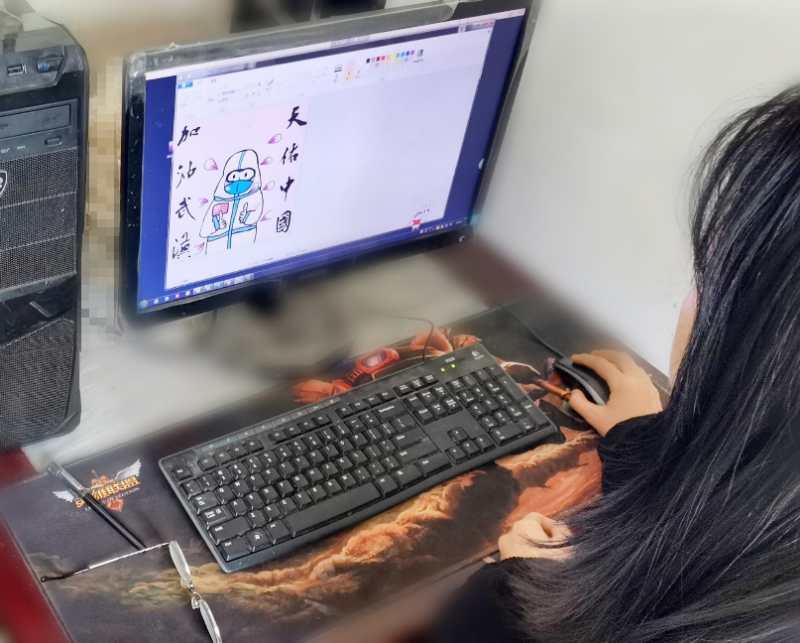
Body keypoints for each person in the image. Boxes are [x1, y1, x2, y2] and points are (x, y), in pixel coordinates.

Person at [429, 86, 800, 642]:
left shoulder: (507, 620)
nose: (689, 302)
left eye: (707, 277)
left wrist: (520, 578)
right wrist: (641, 436)